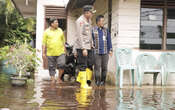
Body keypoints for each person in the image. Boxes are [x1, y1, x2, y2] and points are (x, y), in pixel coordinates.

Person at [73, 5, 96, 89]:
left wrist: (92, 43)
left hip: (89, 46)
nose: (92, 14)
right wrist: (83, 48)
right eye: (91, 12)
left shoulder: (89, 20)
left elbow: (89, 33)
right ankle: (83, 84)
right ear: (86, 13)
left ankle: (84, 80)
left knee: (91, 63)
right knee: (83, 64)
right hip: (82, 46)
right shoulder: (80, 21)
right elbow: (79, 36)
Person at [42, 18, 66, 84]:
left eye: (57, 22)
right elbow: (44, 43)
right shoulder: (46, 32)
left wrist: (65, 49)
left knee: (62, 64)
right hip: (50, 53)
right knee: (51, 67)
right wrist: (43, 53)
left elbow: (63, 41)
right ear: (52, 24)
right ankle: (52, 80)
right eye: (56, 22)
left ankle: (58, 78)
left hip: (60, 52)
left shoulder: (60, 30)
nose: (57, 24)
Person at [92, 15, 113, 86]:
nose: (103, 22)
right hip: (96, 52)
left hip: (105, 52)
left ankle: (103, 81)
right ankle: (97, 81)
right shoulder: (93, 30)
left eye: (103, 21)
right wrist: (91, 44)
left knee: (104, 67)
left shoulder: (106, 30)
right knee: (97, 67)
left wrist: (110, 49)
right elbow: (90, 39)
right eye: (102, 21)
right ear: (98, 22)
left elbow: (109, 40)